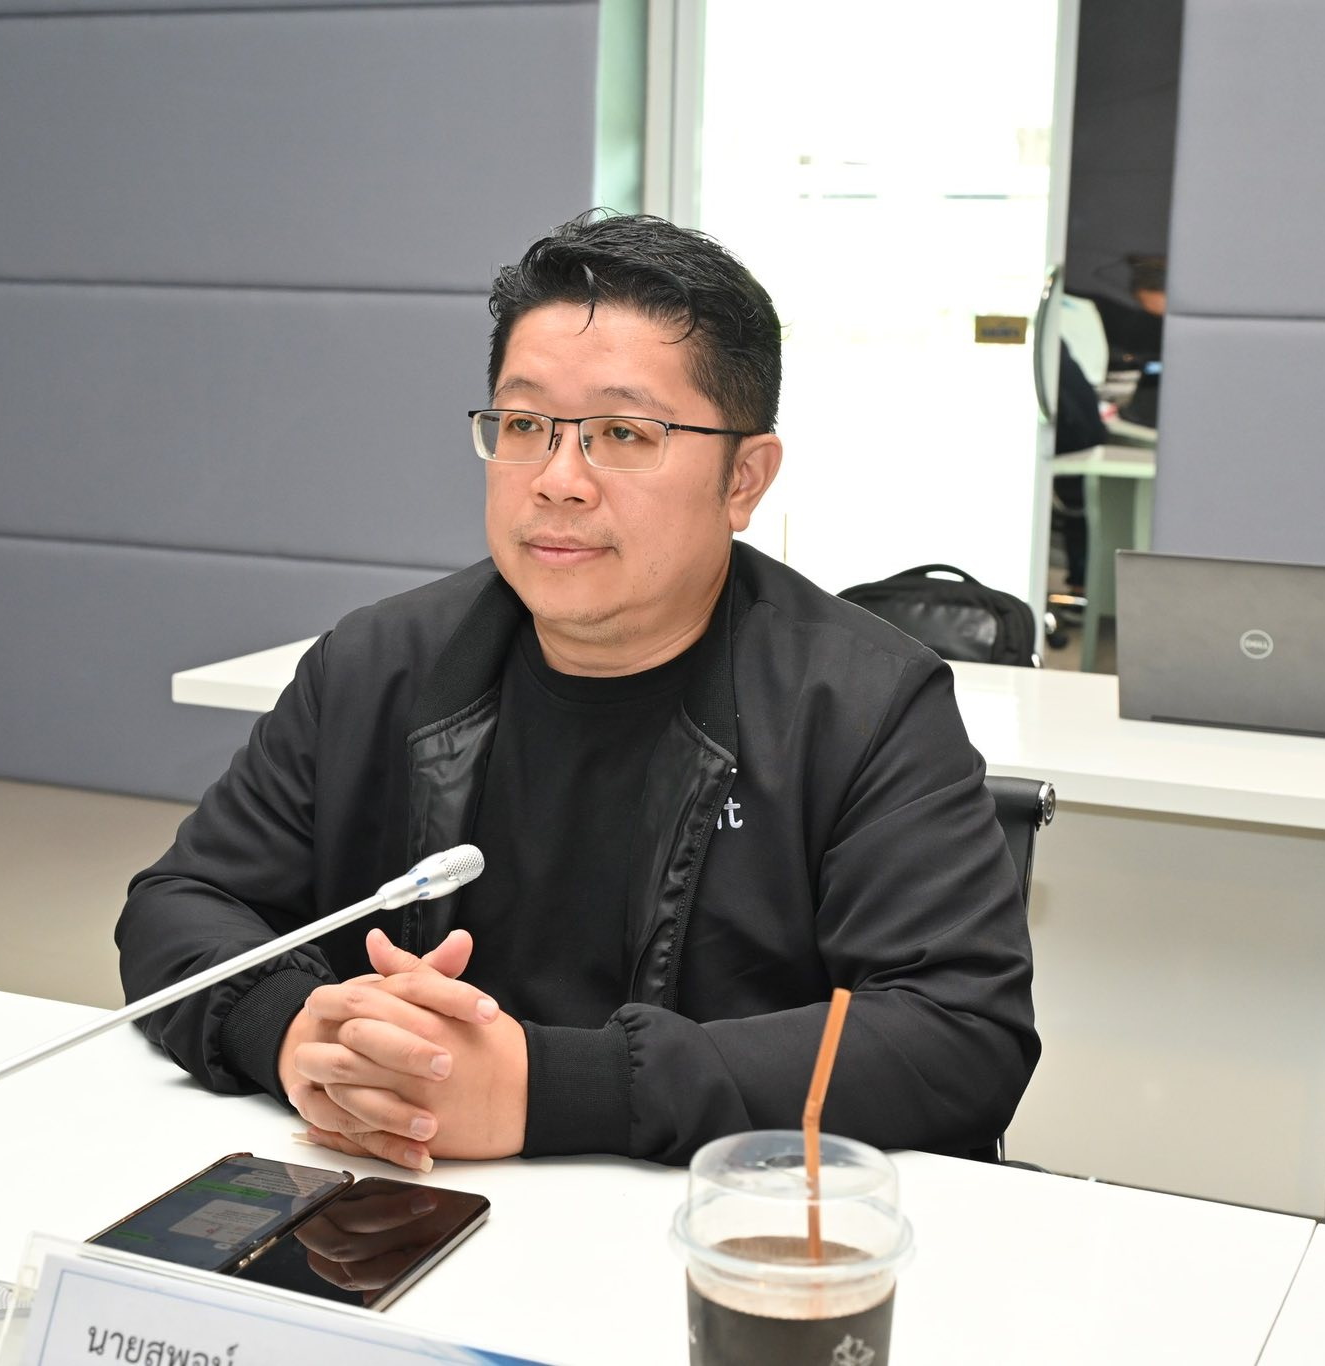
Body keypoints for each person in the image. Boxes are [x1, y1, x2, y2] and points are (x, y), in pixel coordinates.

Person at [116, 212, 1038, 1171]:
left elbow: (958, 1037)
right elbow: (183, 902)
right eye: (524, 426)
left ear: (744, 479)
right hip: (404, 1193)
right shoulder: (378, 664)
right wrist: (295, 1030)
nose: (557, 481)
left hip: (706, 1220)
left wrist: (550, 1090)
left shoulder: (865, 706)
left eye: (622, 434)